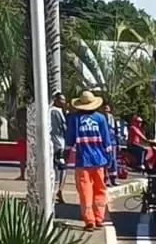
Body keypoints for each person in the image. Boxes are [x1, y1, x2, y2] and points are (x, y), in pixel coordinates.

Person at [64, 90, 115, 230]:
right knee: (100, 189)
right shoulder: (100, 118)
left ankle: (89, 220)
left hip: (83, 161)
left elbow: (69, 140)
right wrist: (109, 159)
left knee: (85, 191)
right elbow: (107, 141)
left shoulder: (75, 119)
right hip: (99, 161)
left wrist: (65, 155)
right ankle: (99, 218)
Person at [49, 92, 68, 204]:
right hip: (59, 144)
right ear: (56, 100)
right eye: (62, 100)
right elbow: (64, 127)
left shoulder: (48, 110)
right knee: (62, 169)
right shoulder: (57, 111)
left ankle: (55, 191)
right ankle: (59, 191)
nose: (64, 102)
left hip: (51, 143)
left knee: (52, 168)